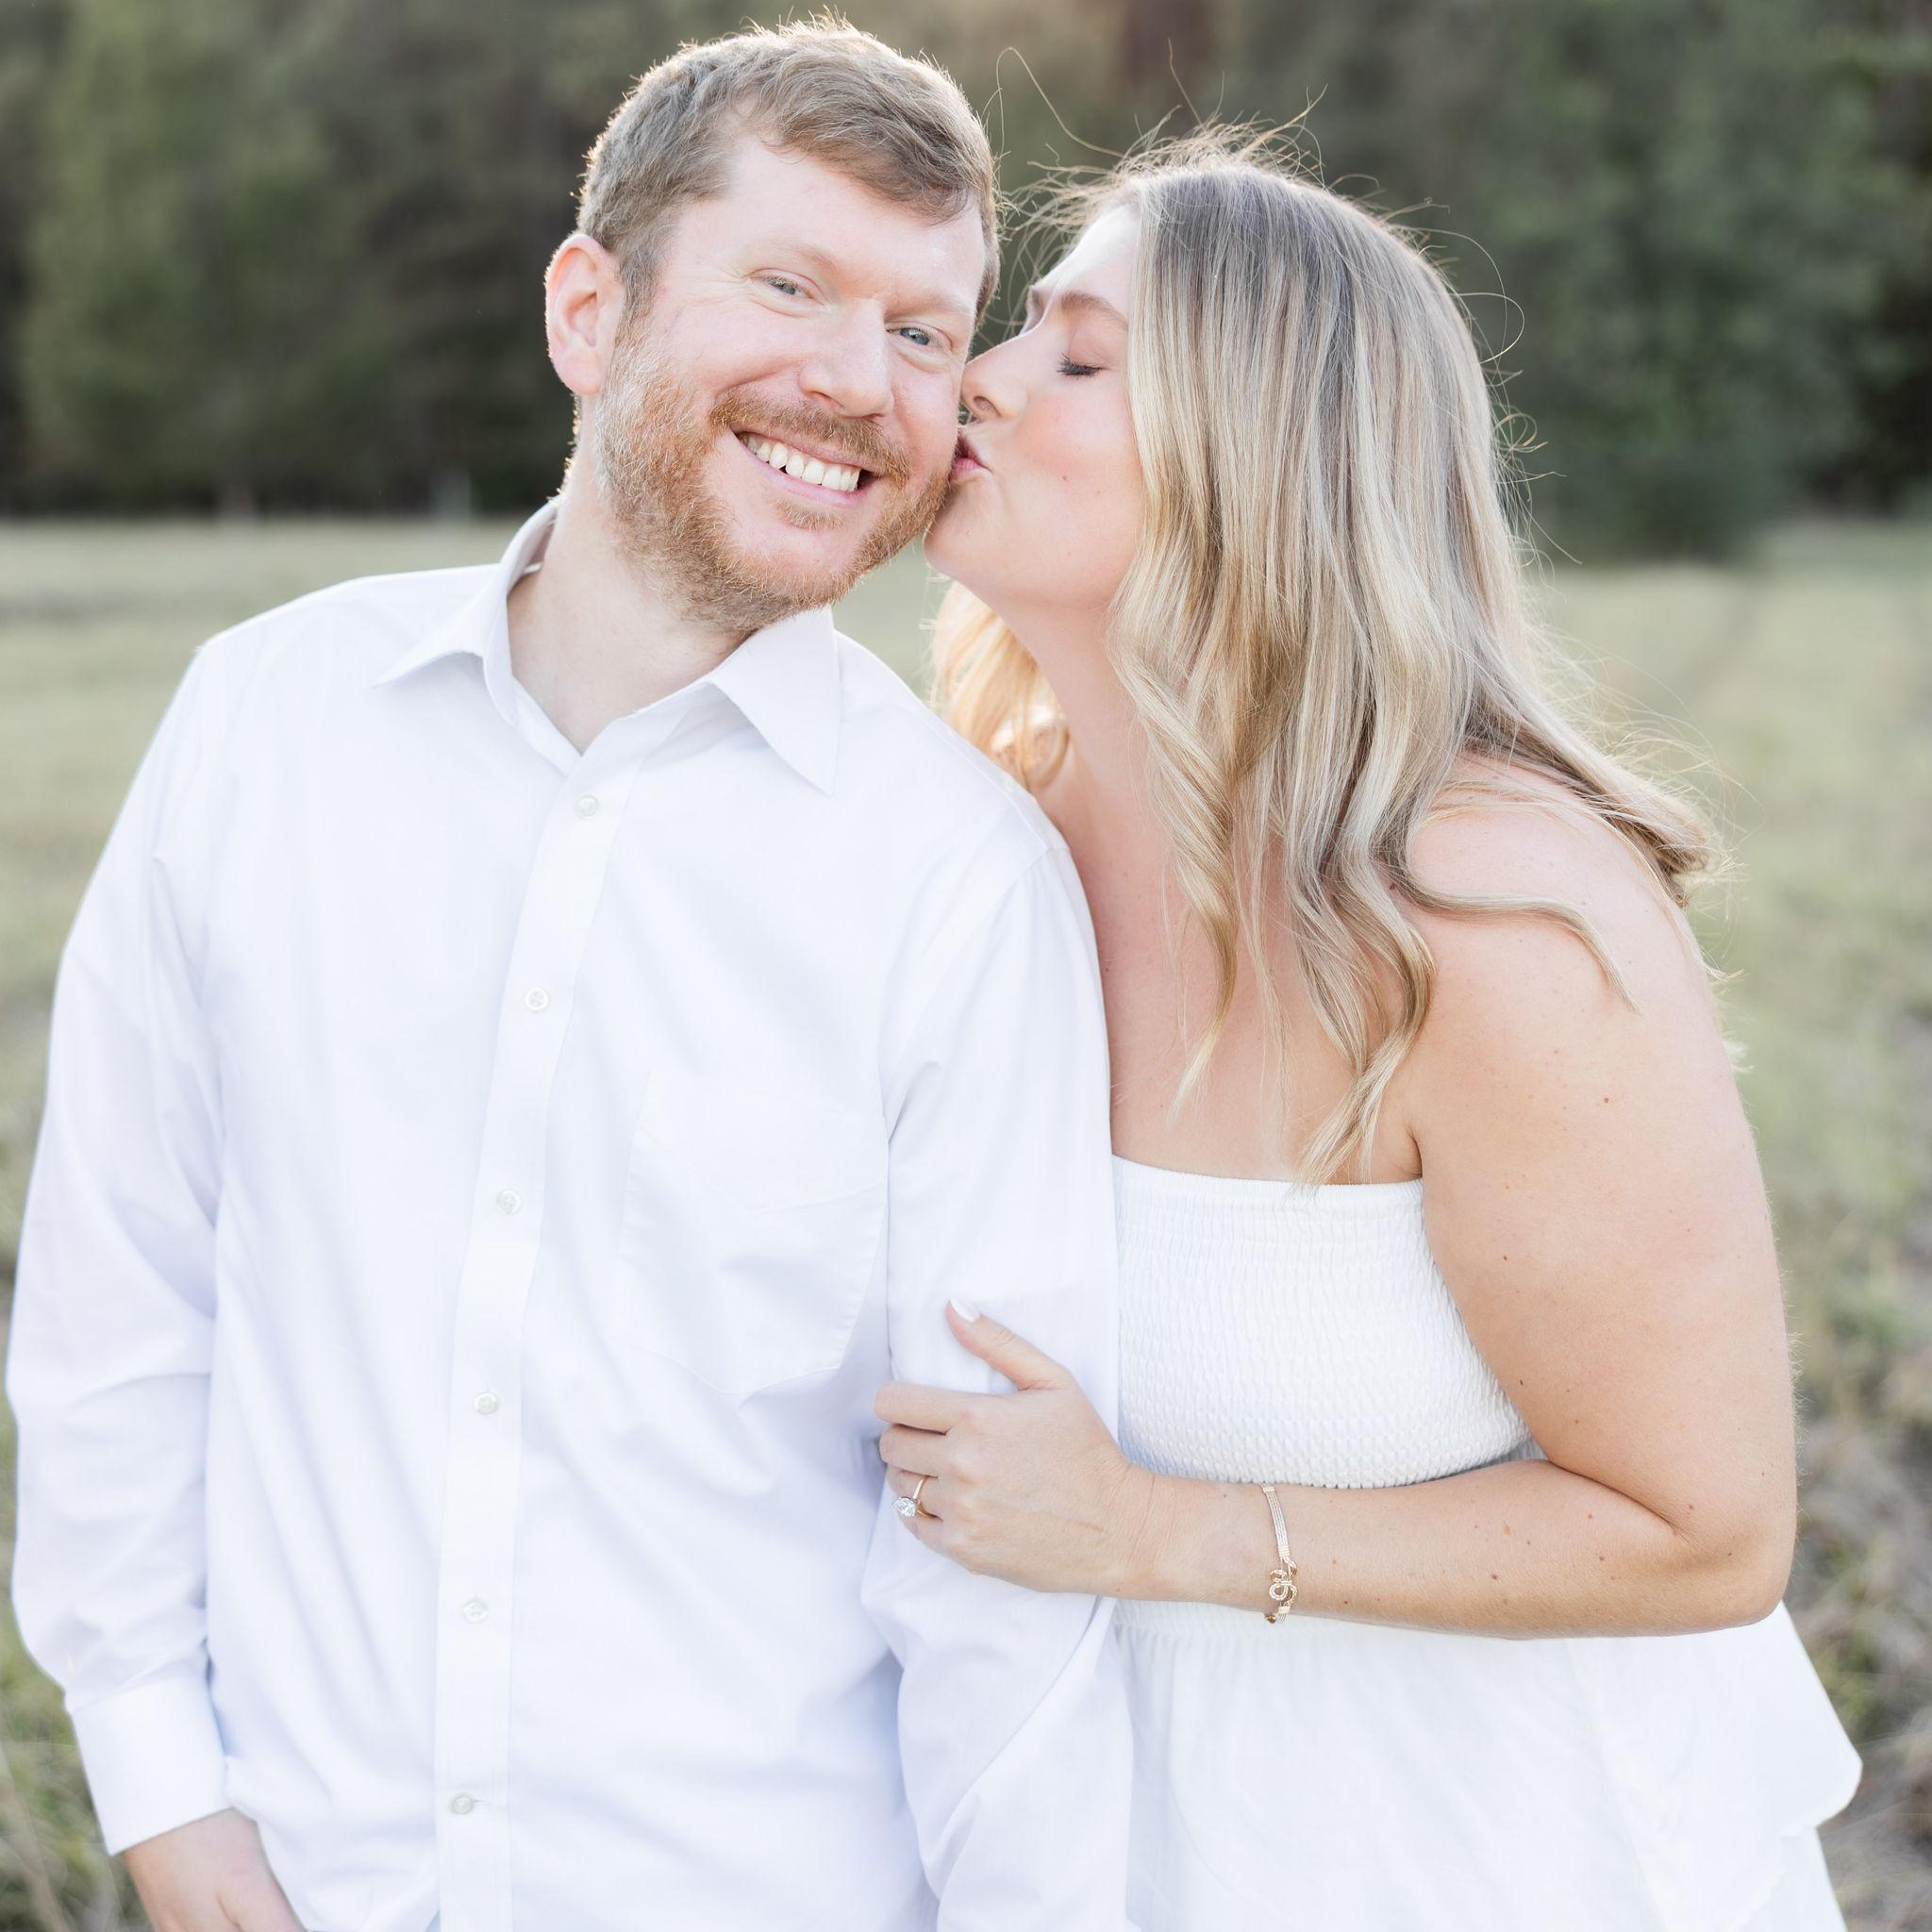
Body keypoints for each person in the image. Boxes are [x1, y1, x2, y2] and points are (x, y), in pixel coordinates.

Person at [7, 24, 1135, 1932]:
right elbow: (127, 1301)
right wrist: (163, 1791)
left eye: (924, 331)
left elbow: (995, 1571)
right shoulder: (263, 726)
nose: (857, 381)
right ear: (588, 311)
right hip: (299, 1886)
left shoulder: (964, 883)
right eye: (791, 285)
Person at [875, 133, 1863, 1930]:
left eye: (1078, 357)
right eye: (1021, 330)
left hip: (1504, 1860)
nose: (981, 380)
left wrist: (1151, 1533)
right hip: (1138, 1861)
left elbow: (1703, 1530)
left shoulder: (1484, 914)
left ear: (1262, 457)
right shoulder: (976, 837)